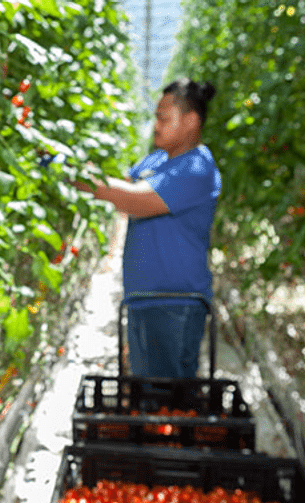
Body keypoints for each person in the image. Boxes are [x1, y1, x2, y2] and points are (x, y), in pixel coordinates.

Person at [69, 78, 221, 378]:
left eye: (164, 118)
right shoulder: (157, 160)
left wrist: (75, 175)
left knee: (166, 404)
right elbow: (122, 183)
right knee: (146, 395)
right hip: (143, 300)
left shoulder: (196, 167)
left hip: (176, 305)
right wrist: (83, 166)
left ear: (191, 121)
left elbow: (136, 200)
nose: (155, 125)